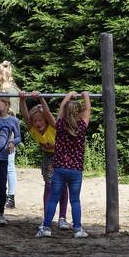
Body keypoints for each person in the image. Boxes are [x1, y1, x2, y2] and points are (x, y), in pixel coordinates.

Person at [37, 92, 91, 239]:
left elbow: (60, 110)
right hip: (75, 171)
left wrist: (68, 96)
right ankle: (78, 229)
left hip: (60, 169)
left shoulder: (60, 125)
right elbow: (88, 110)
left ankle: (46, 227)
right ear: (79, 113)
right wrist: (85, 95)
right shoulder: (82, 126)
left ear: (65, 112)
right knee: (75, 200)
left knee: (53, 198)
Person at [22, 92, 70, 230]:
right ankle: (47, 217)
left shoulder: (53, 127)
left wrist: (41, 98)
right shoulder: (33, 130)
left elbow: (47, 112)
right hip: (48, 159)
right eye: (35, 121)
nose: (37, 123)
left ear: (46, 121)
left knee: (63, 187)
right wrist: (22, 100)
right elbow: (26, 116)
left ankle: (62, 218)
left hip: (62, 157)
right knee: (49, 186)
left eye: (40, 120)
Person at [0, 96, 21, 226]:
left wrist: (12, 142)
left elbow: (18, 137)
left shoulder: (13, 121)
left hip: (3, 158)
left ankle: (0, 213)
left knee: (2, 187)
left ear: (6, 105)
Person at [0, 61, 21, 209]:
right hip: (2, 130)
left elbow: (12, 112)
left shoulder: (8, 91)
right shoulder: (9, 89)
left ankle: (10, 197)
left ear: (0, 74)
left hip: (7, 131)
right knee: (4, 164)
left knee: (9, 164)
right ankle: (4, 193)